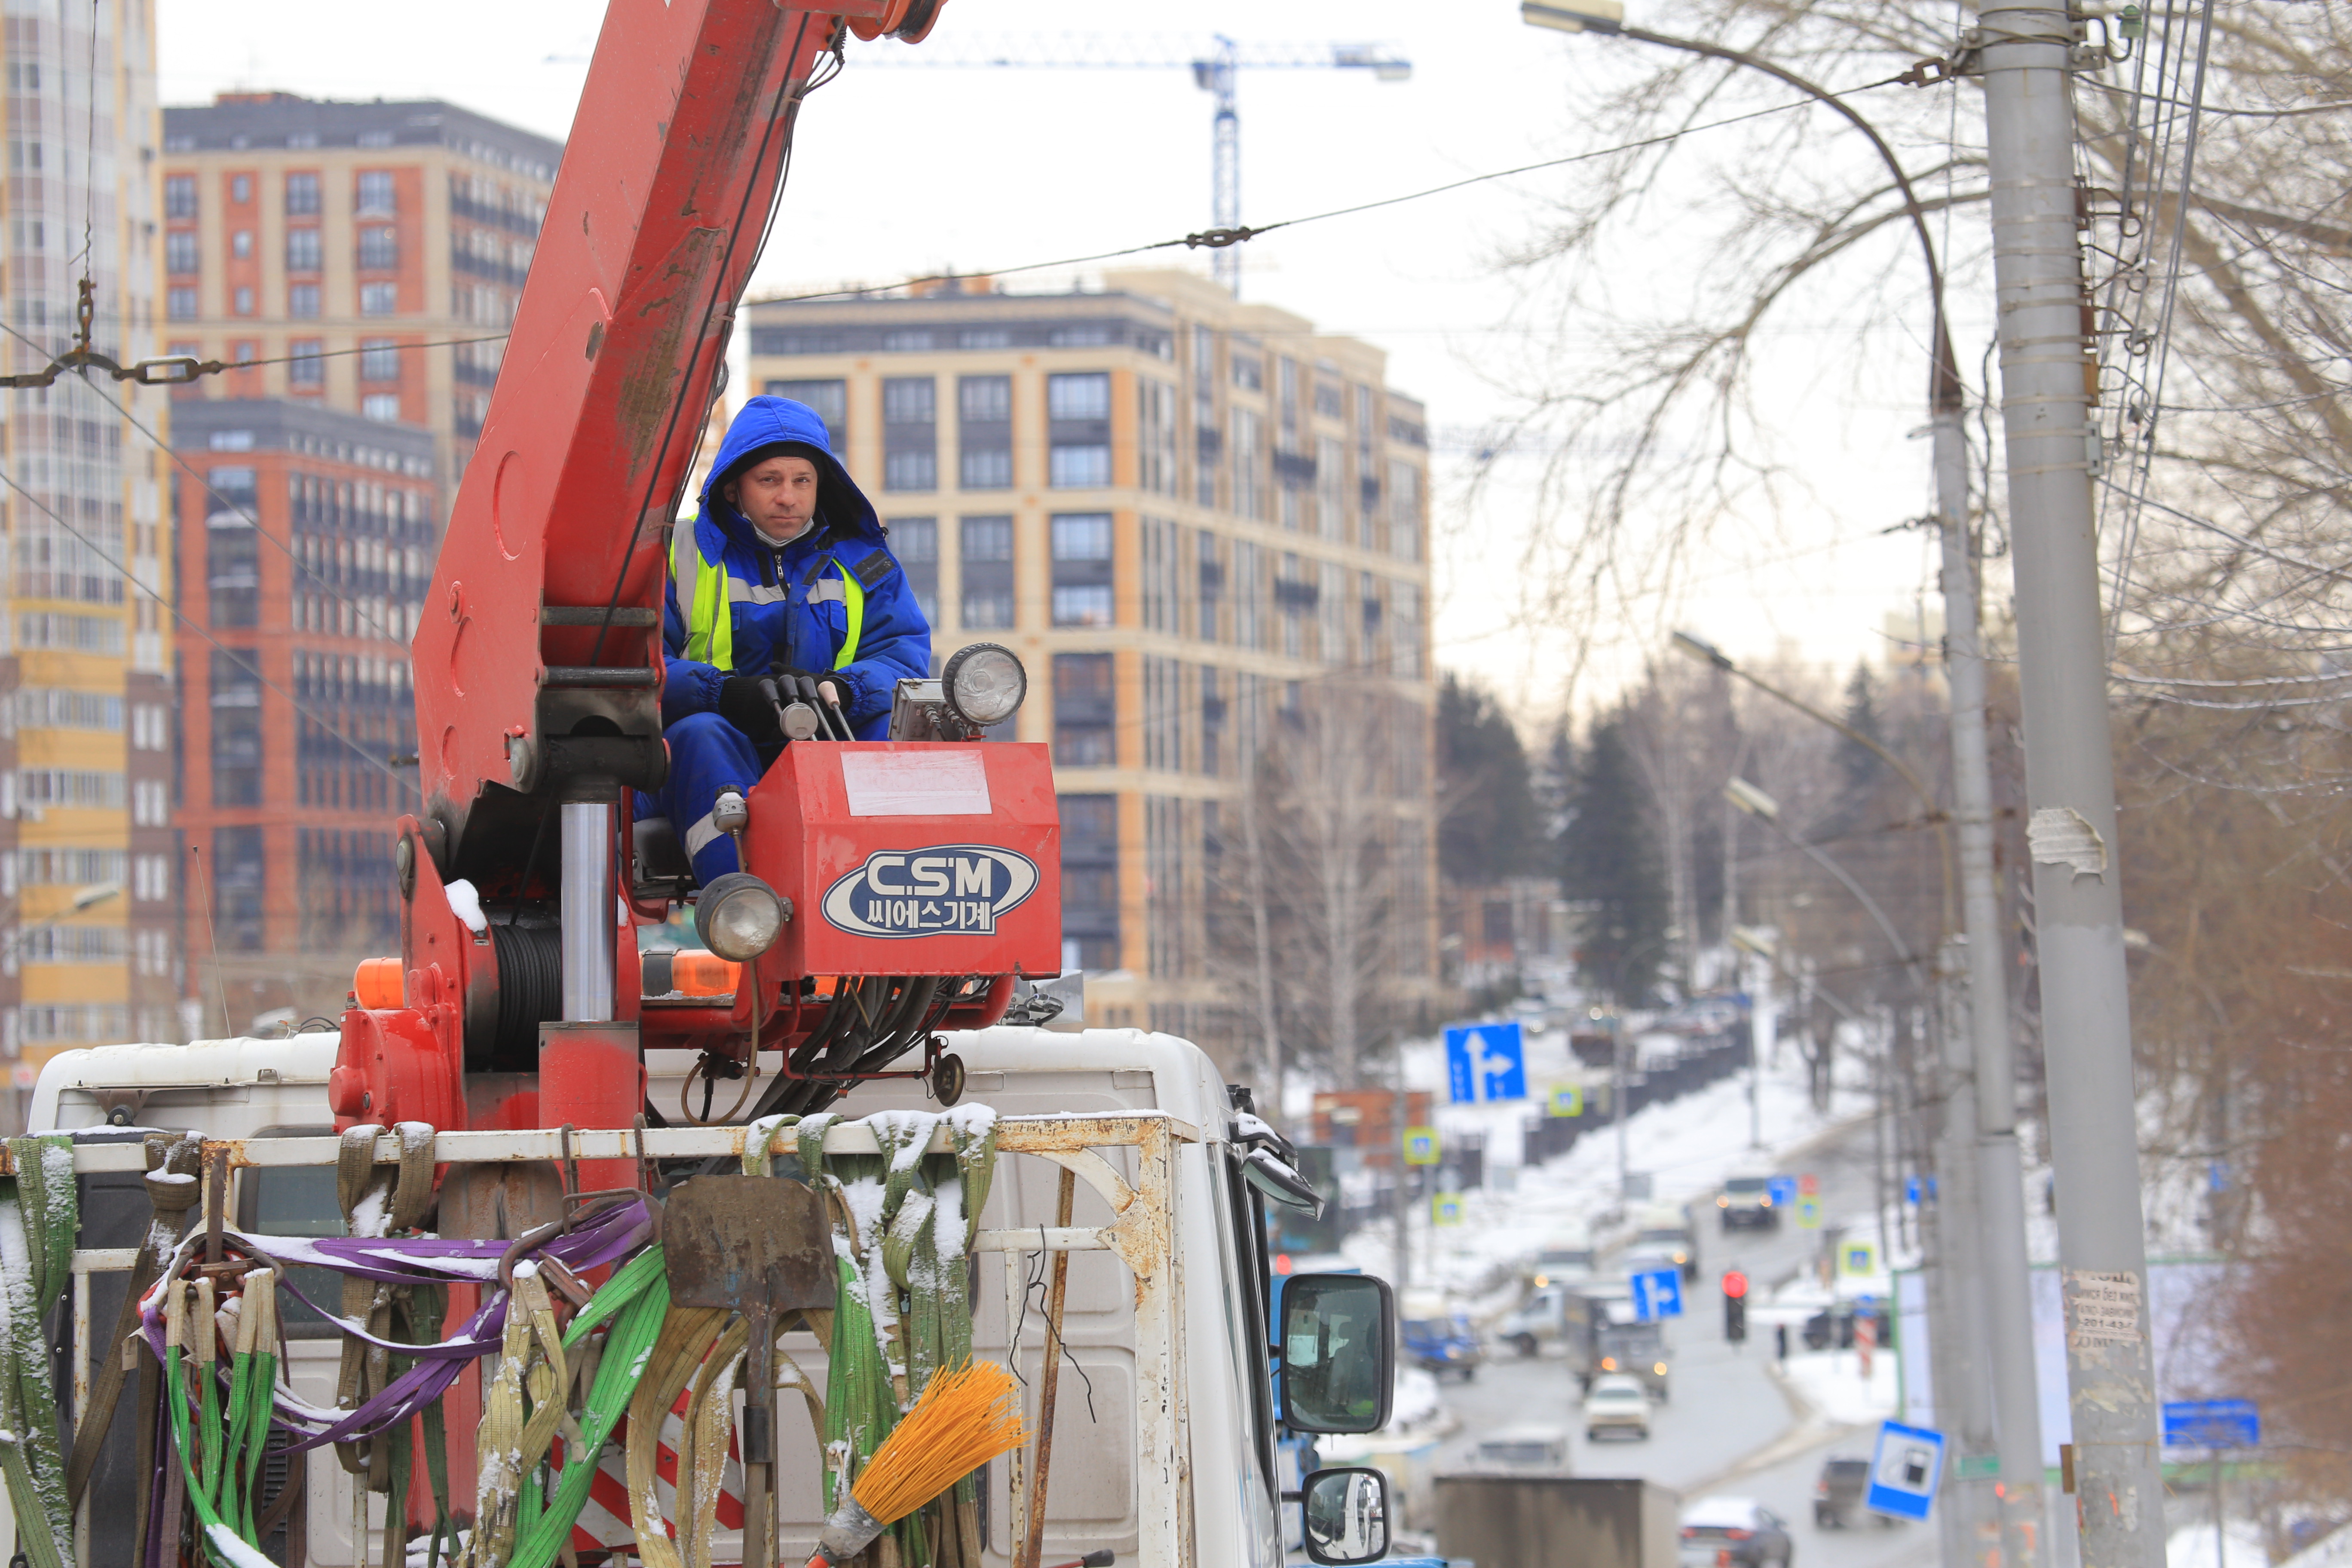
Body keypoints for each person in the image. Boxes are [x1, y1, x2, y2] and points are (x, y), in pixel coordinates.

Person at [649, 395, 930, 882]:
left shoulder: (866, 561)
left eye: (803, 481)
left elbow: (904, 660)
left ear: (822, 485)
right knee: (700, 734)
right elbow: (640, 667)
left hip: (828, 736)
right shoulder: (676, 553)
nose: (788, 497)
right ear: (733, 489)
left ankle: (878, 891)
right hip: (711, 749)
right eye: (770, 481)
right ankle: (744, 899)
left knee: (892, 734)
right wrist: (723, 694)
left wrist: (844, 690)